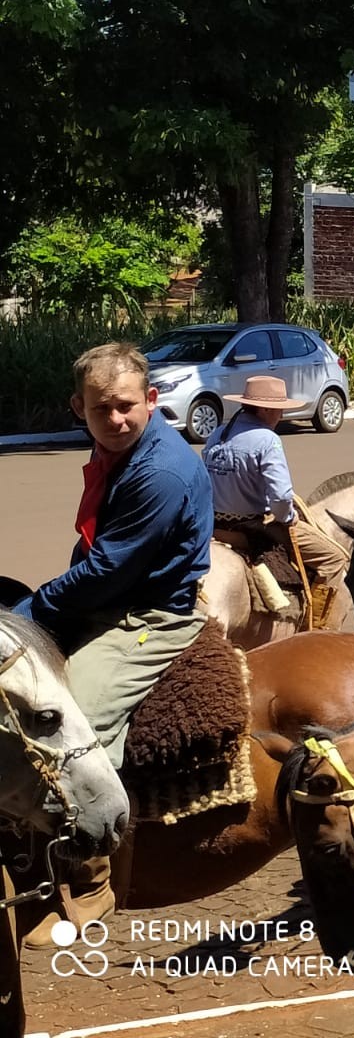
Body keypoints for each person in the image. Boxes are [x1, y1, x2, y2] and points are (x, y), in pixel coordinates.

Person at [11, 343, 212, 944]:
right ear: (80, 407)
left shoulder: (161, 471)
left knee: (74, 725)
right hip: (108, 597)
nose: (117, 419)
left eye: (127, 406)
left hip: (149, 615)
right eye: (103, 410)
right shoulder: (114, 451)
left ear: (151, 400)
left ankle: (92, 876)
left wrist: (29, 610)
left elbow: (108, 571)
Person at [201, 375, 350, 618]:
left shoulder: (218, 434)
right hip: (252, 525)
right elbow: (280, 498)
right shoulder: (267, 440)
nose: (281, 416)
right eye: (278, 410)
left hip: (214, 525)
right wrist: (288, 517)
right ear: (265, 409)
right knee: (333, 559)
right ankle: (320, 629)